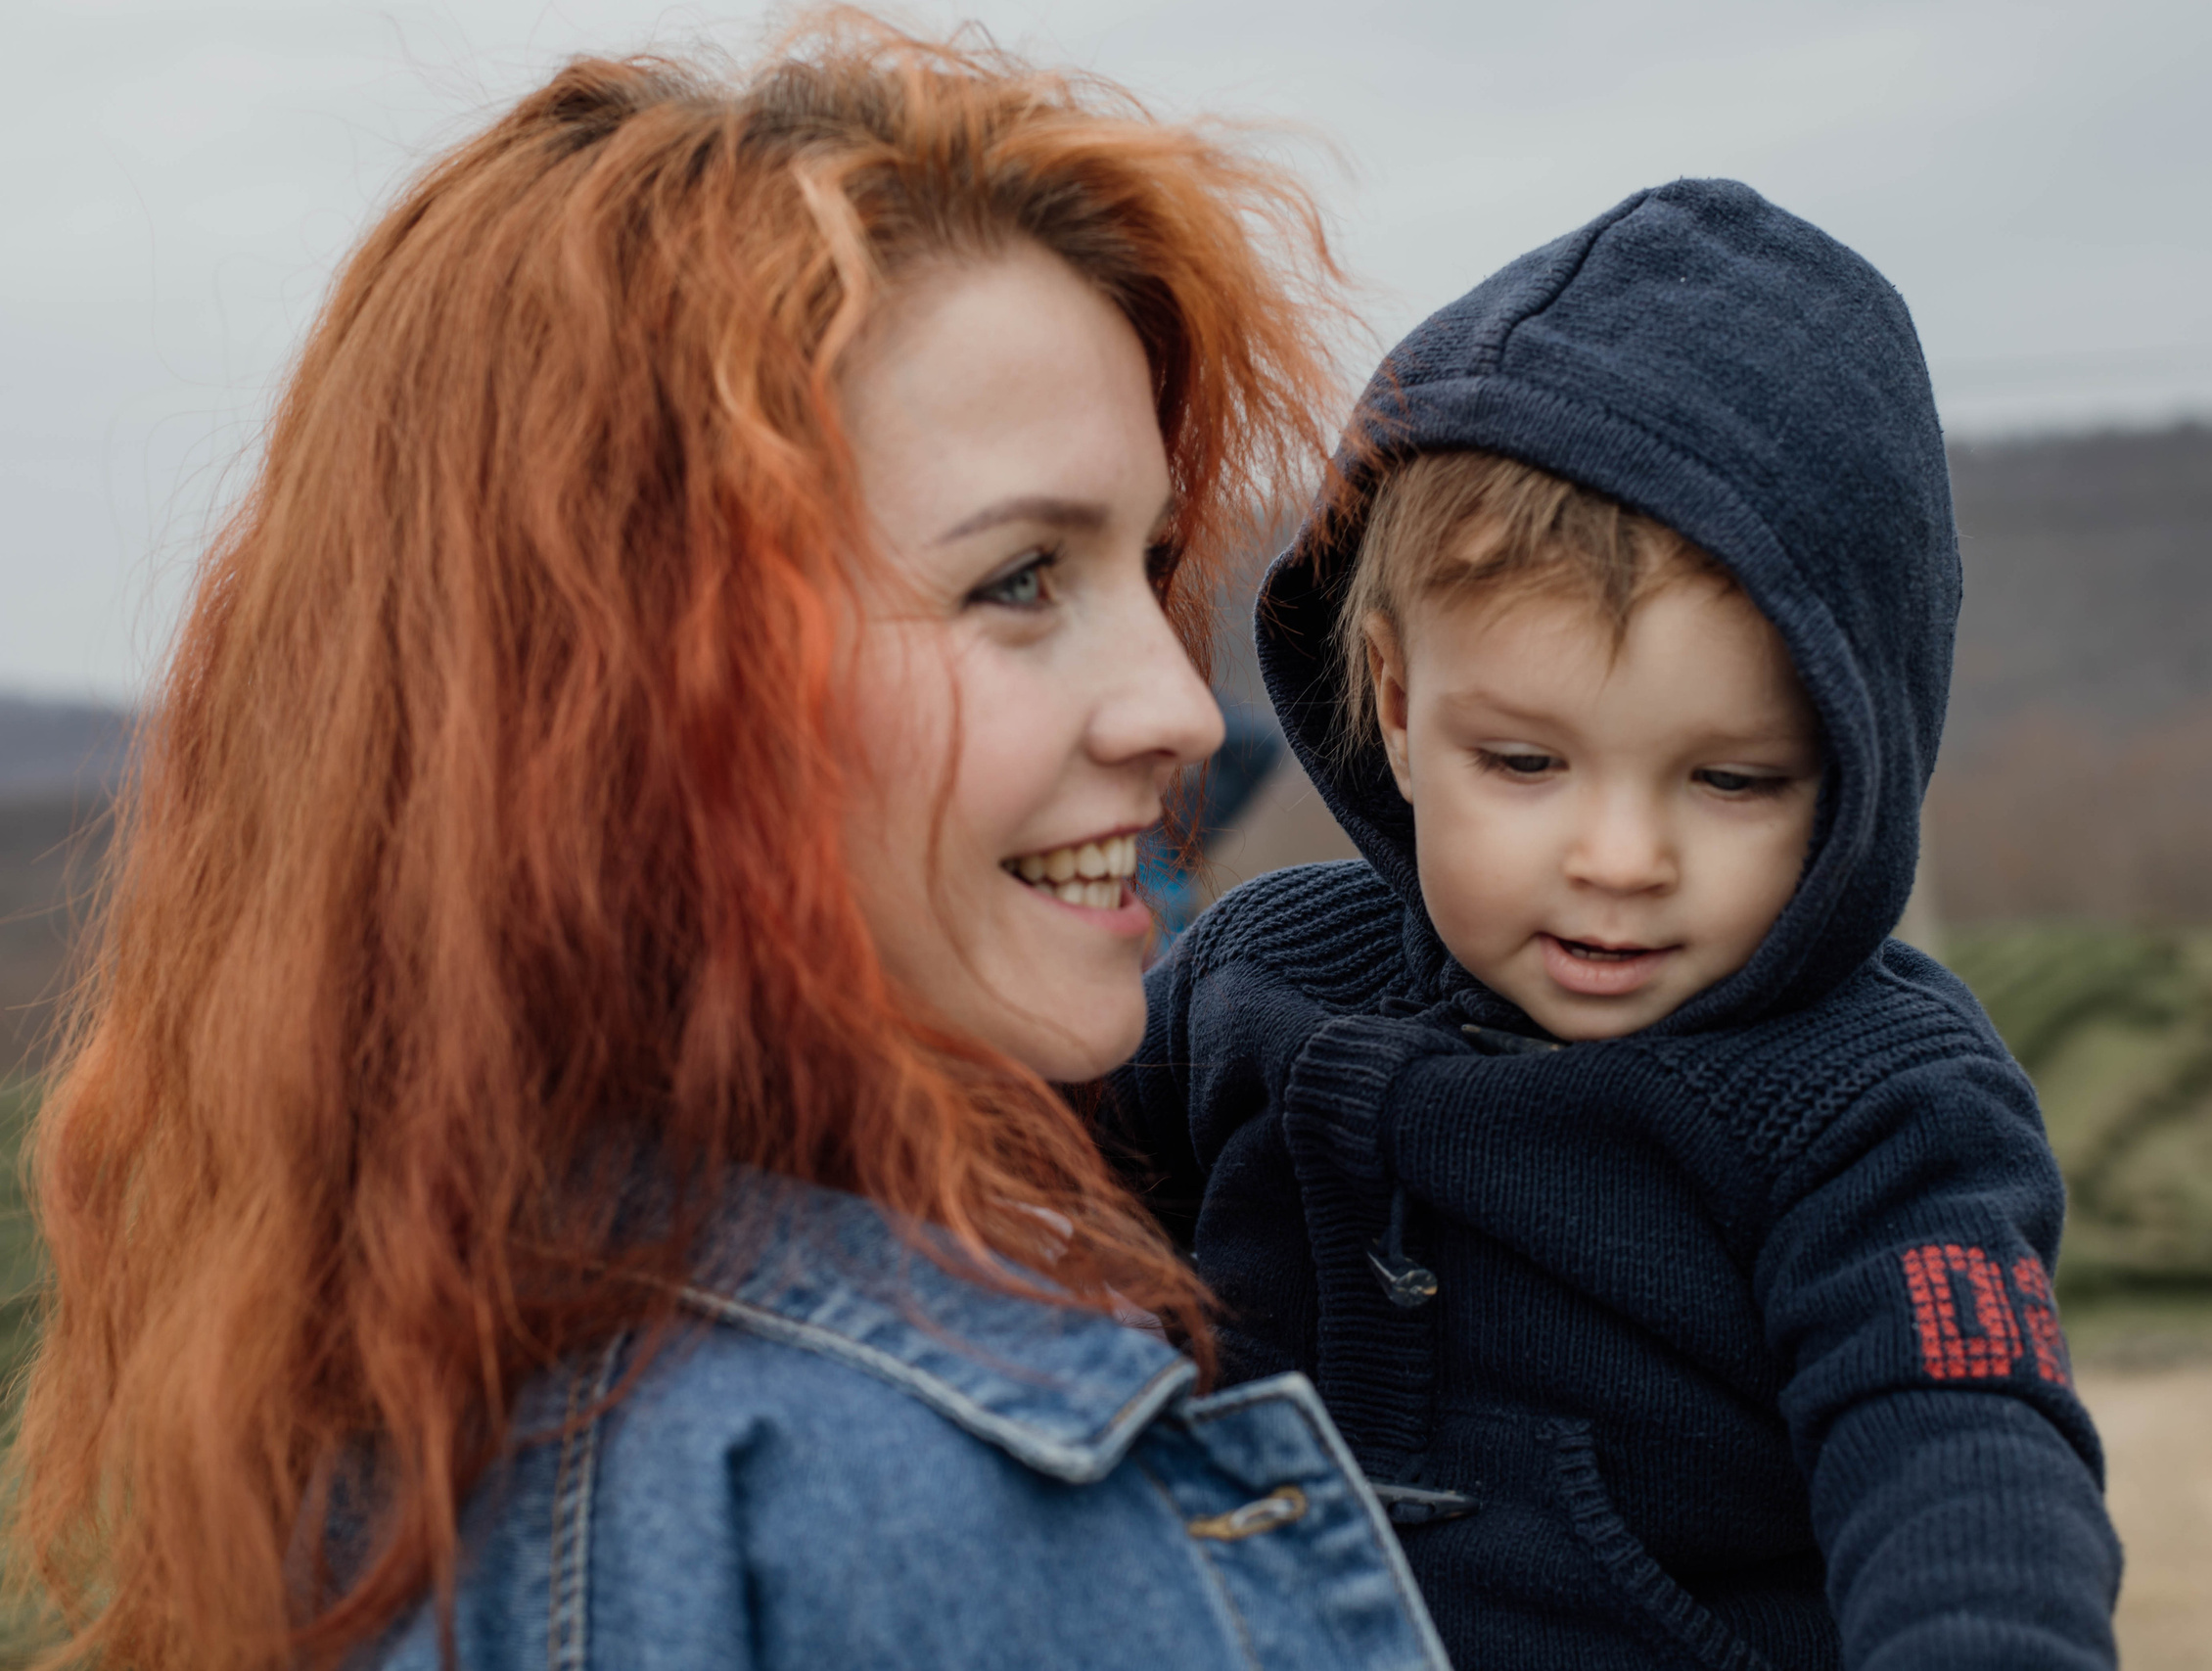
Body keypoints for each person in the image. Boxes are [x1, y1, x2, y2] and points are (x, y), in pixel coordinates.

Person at [4, 16, 1452, 1671]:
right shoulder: (910, 1494)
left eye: (1151, 562)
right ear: (622, 690)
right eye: (1017, 580)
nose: (1182, 711)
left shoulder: (422, 1376)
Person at [1108, 181, 2124, 1669]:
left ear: (1853, 769)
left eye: (1729, 781)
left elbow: (1967, 1453)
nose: (1620, 858)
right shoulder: (1252, 978)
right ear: (1394, 707)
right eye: (1523, 764)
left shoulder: (1884, 1108)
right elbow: (990, 1208)